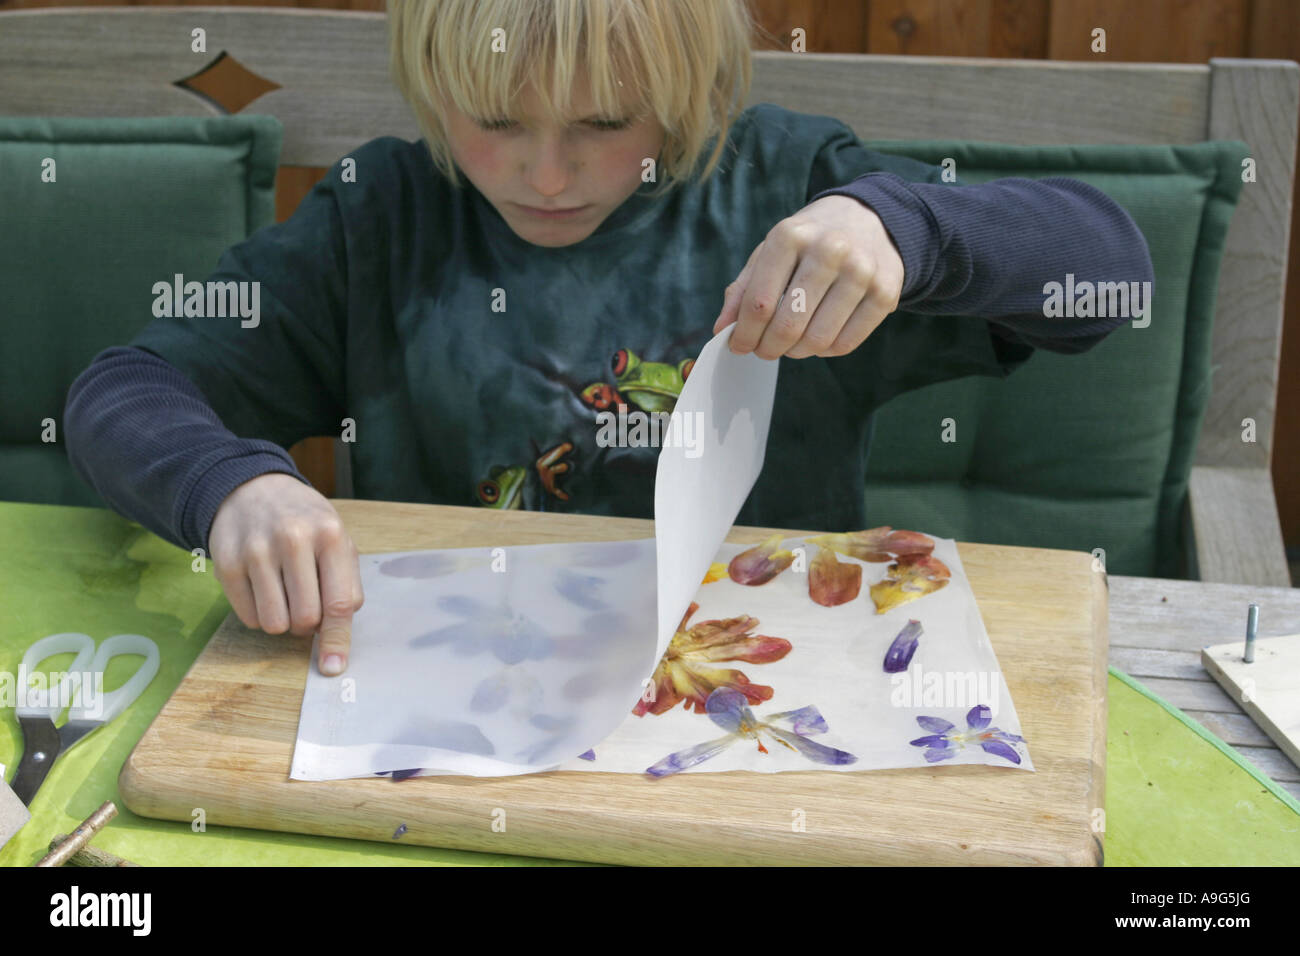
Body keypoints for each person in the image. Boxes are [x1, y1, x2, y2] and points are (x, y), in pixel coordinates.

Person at [63, 0, 1153, 679]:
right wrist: (225, 485)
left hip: (762, 685)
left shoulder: (787, 190)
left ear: (690, 93)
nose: (545, 175)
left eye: (601, 125)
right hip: (443, 688)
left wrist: (909, 230)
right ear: (435, 90)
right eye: (493, 121)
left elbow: (1109, 274)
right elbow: (123, 390)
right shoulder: (381, 216)